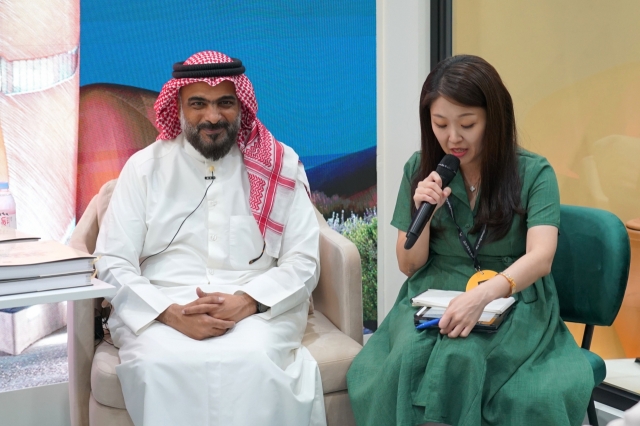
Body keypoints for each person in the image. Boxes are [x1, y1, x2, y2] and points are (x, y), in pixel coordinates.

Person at [346, 55, 593, 426]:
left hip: (512, 292)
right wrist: (423, 213)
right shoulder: (420, 168)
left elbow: (541, 258)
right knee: (403, 363)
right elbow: (409, 265)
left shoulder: (533, 171)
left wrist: (483, 295)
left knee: (465, 358)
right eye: (440, 124)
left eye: (468, 124)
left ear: (494, 118)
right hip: (433, 292)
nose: (452, 138)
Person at [94, 50, 326, 426]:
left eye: (225, 103)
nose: (213, 117)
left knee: (254, 358)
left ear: (241, 105)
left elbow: (304, 262)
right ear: (179, 107)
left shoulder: (278, 166)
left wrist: (247, 302)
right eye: (198, 104)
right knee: (160, 364)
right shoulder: (144, 169)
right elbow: (111, 262)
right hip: (162, 307)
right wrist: (171, 314)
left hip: (257, 307)